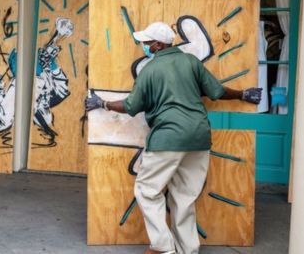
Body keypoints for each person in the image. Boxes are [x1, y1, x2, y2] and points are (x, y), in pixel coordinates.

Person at [85, 22, 261, 254]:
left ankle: (162, 247)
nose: (143, 46)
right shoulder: (191, 62)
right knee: (185, 196)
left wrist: (103, 103)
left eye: (146, 42)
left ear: (158, 45)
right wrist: (243, 94)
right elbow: (217, 91)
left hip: (168, 138)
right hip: (199, 137)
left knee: (147, 191)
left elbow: (130, 106)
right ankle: (188, 249)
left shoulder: (150, 70)